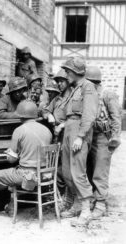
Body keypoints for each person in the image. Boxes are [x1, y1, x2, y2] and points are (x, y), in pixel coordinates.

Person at [0, 101, 52, 219]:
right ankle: (11, 206)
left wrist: (8, 153)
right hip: (45, 175)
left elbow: (11, 160)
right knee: (13, 173)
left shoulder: (19, 130)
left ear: (21, 115)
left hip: (27, 176)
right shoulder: (47, 130)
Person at [60, 57, 99, 227]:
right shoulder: (74, 88)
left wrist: (81, 136)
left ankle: (85, 211)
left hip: (78, 131)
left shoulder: (87, 87)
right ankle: (76, 205)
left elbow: (89, 114)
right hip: (69, 128)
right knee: (67, 172)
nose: (66, 74)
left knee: (78, 171)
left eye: (68, 71)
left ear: (76, 72)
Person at [85, 66, 121, 219]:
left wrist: (115, 137)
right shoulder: (88, 95)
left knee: (100, 171)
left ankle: (101, 203)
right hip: (89, 135)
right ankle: (94, 197)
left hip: (103, 137)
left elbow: (116, 118)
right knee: (90, 170)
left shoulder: (107, 94)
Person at [42, 69, 72, 206]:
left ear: (68, 81)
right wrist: (49, 115)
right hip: (57, 138)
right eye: (57, 81)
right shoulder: (57, 98)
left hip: (69, 136)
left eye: (62, 81)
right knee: (57, 167)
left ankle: (69, 199)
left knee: (67, 168)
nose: (59, 84)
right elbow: (45, 109)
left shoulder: (73, 97)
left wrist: (63, 125)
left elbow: (79, 117)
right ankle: (58, 198)